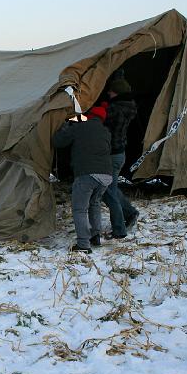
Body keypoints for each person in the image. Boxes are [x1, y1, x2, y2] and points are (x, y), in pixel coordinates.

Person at [53, 104, 113, 253]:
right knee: (95, 204)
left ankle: (83, 245)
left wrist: (64, 126)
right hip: (106, 175)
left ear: (88, 116)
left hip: (86, 174)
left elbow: (58, 141)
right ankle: (95, 236)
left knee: (79, 209)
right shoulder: (106, 132)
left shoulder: (80, 128)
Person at [101, 76, 140, 239]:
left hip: (110, 155)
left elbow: (97, 119)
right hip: (119, 153)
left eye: (111, 91)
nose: (108, 93)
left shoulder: (114, 109)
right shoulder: (130, 106)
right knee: (112, 188)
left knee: (107, 191)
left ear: (116, 92)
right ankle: (130, 212)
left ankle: (119, 228)